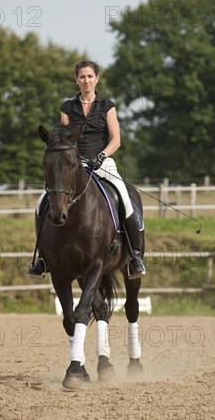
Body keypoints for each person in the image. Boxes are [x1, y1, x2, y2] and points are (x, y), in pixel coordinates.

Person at [28, 60, 146, 279]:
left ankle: (135, 256)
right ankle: (42, 258)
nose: (86, 80)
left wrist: (101, 156)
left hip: (103, 161)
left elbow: (116, 139)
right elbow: (64, 139)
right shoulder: (67, 108)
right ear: (77, 80)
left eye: (90, 76)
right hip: (74, 163)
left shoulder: (107, 106)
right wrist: (73, 158)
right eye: (82, 77)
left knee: (125, 199)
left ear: (97, 79)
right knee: (41, 202)